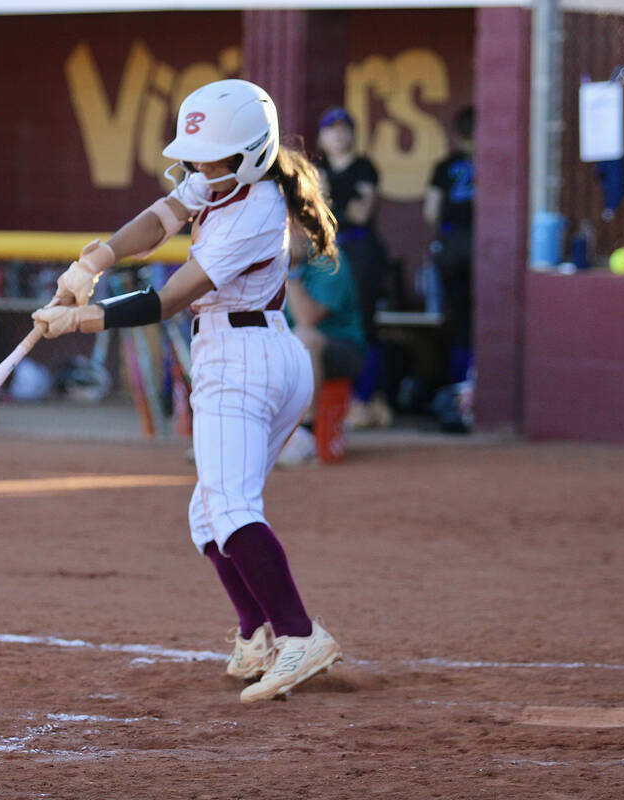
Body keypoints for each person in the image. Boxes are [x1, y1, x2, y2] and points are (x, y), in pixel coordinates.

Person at [31, 79, 342, 704]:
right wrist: (96, 261)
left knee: (230, 509)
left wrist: (85, 319)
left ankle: (300, 635)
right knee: (210, 513)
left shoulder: (253, 209)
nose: (199, 166)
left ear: (248, 152)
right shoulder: (223, 178)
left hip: (244, 361)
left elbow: (173, 297)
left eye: (211, 156)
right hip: (252, 353)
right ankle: (258, 632)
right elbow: (159, 219)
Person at [314, 107, 392, 430]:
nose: (339, 134)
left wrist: (329, 201)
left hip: (361, 249)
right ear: (321, 136)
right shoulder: (315, 168)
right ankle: (330, 402)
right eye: (332, 129)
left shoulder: (364, 167)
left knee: (364, 321)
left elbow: (361, 214)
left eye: (345, 128)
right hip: (327, 250)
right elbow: (312, 213)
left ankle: (363, 399)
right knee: (321, 321)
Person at [278, 235, 366, 465]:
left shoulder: (330, 260)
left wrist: (293, 271)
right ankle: (234, 438)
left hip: (340, 349)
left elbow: (306, 319)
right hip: (285, 345)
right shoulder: (269, 259)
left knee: (304, 339)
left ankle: (305, 437)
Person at [424, 106, 475, 385]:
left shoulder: (445, 166)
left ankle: (457, 383)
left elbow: (431, 212)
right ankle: (468, 382)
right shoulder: (495, 163)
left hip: (452, 243)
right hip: (480, 244)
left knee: (457, 318)